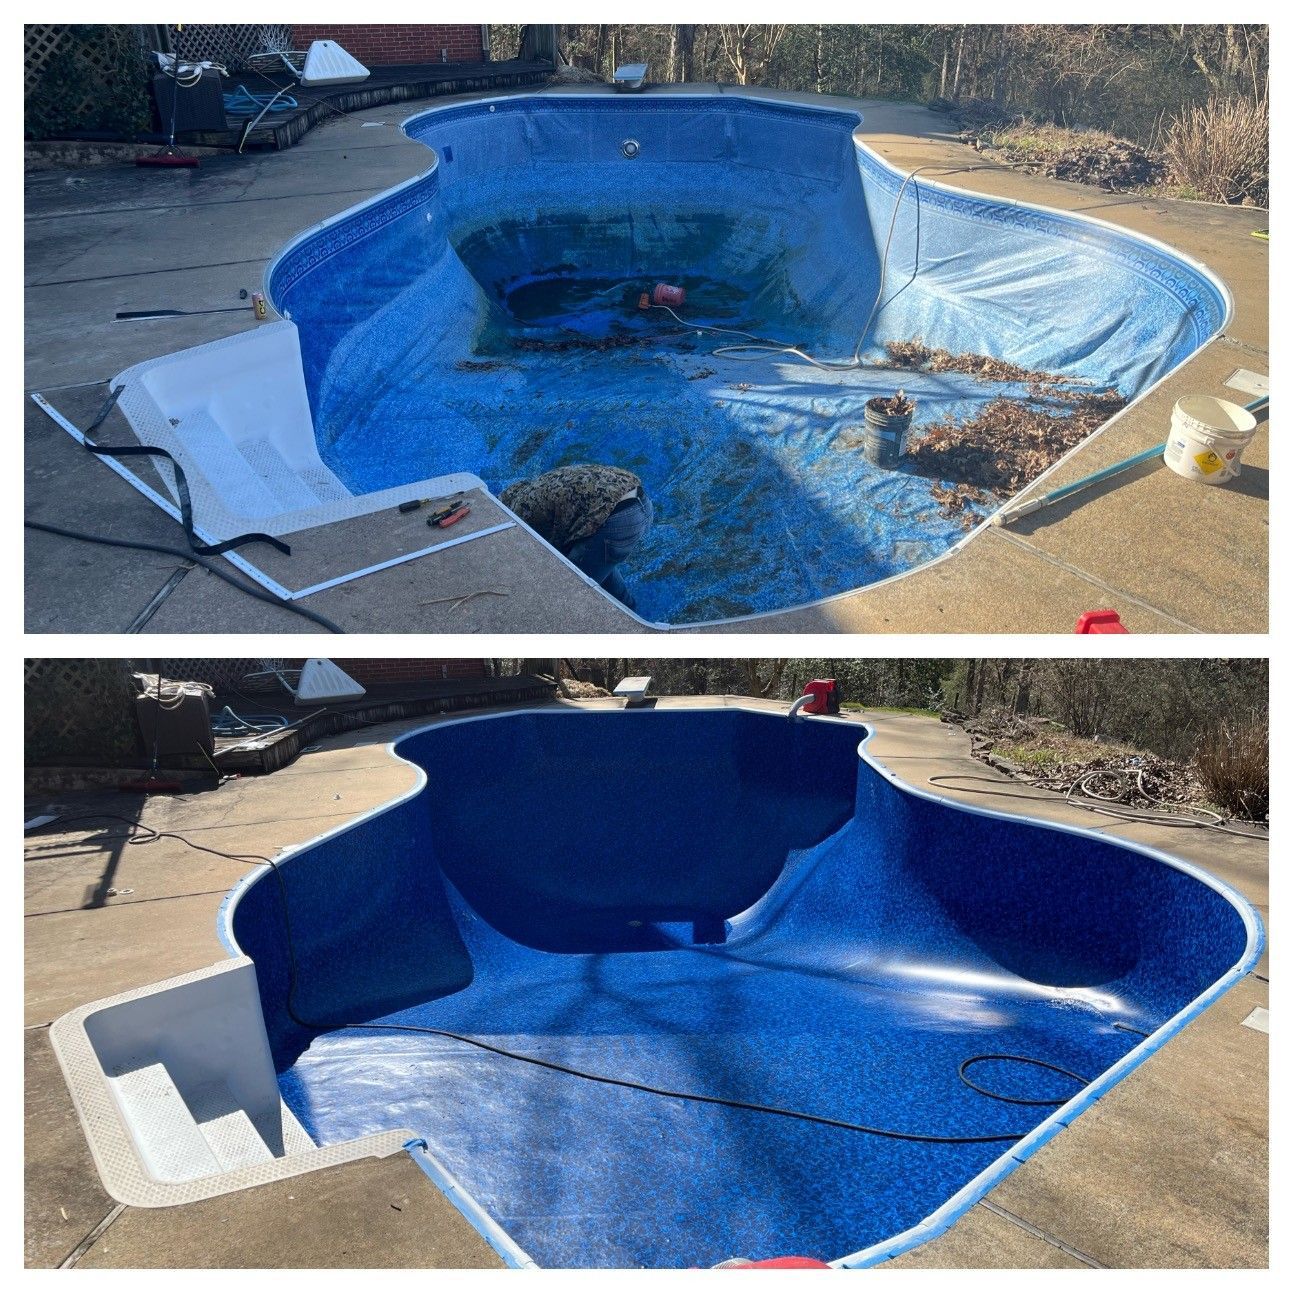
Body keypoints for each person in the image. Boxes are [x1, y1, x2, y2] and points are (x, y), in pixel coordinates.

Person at [500, 464, 653, 609]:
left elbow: (540, 554)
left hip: (617, 518)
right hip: (641, 501)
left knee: (572, 588)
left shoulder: (521, 511)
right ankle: (629, 611)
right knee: (598, 561)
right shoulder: (539, 486)